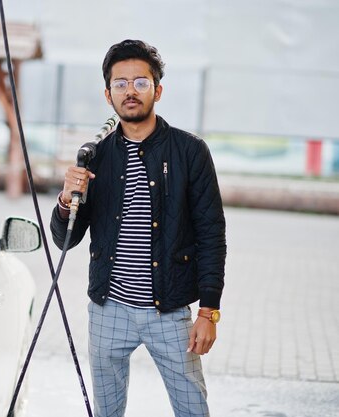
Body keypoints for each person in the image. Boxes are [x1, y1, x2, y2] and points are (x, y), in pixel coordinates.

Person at [50, 39, 226, 417]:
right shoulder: (96, 155)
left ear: (157, 90)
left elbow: (212, 233)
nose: (130, 91)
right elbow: (66, 239)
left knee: (193, 408)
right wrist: (67, 200)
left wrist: (208, 311)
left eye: (141, 82)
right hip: (108, 309)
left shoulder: (190, 151)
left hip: (170, 311)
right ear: (108, 94)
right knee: (106, 412)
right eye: (120, 83)